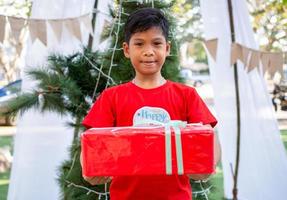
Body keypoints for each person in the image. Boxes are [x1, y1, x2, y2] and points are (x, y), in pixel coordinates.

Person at [81, 7, 221, 200]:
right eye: (139, 44)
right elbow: (91, 143)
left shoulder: (187, 95)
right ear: (127, 50)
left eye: (156, 43)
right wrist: (92, 170)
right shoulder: (111, 97)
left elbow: (208, 138)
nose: (148, 51)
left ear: (167, 48)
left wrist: (207, 165)